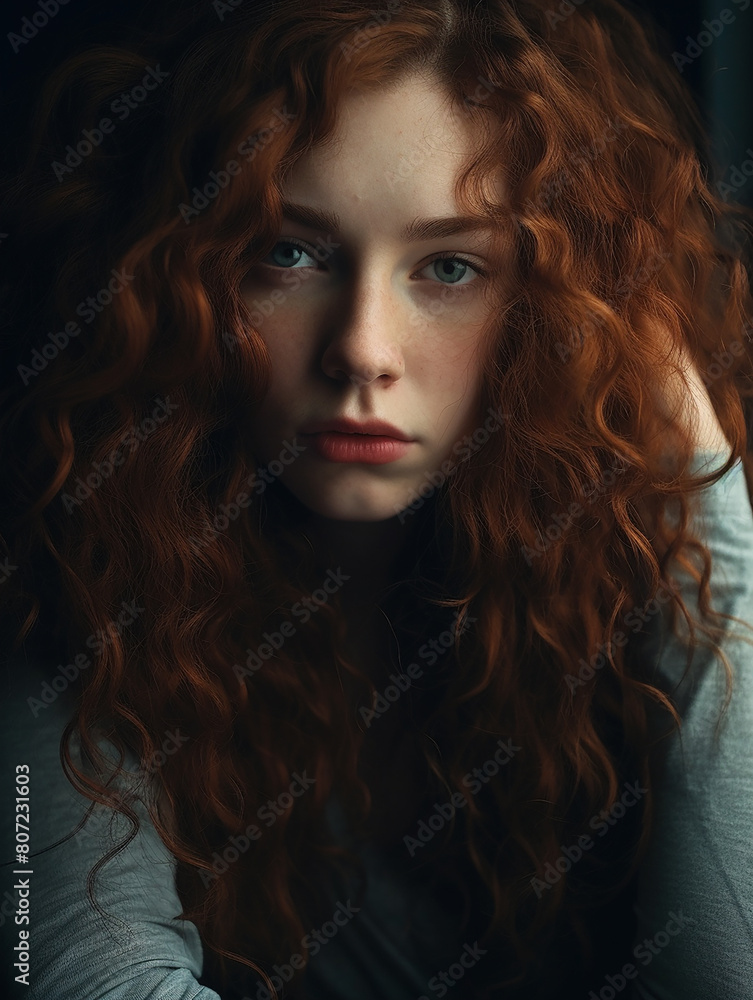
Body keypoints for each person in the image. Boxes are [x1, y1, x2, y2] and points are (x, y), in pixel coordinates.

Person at [1, 0, 752, 997]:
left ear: (557, 309)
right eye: (289, 251)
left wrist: (693, 488)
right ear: (178, 279)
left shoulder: (625, 578)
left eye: (449, 267)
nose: (362, 347)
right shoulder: (82, 565)